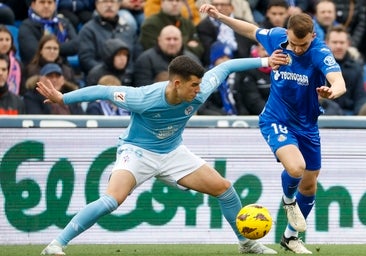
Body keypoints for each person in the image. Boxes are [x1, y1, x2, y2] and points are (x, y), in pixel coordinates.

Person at [37, 54, 284, 256]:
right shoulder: (143, 97)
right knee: (112, 200)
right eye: (193, 85)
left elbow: (228, 65)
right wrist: (62, 97)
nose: (199, 91)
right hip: (137, 152)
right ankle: (56, 245)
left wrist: (265, 61)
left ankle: (246, 244)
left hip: (173, 151)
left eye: (200, 84)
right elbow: (103, 91)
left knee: (225, 189)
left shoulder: (201, 88)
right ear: (177, 83)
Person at [200, 4, 347, 254]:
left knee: (309, 185)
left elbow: (339, 80)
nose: (298, 49)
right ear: (286, 33)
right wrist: (221, 16)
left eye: (303, 45)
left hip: (307, 125)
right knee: (296, 167)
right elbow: (250, 30)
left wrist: (333, 92)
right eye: (293, 43)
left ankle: (290, 237)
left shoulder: (320, 52)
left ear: (313, 36)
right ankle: (288, 201)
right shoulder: (278, 38)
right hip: (275, 119)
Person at [77, 0, 138, 75]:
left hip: (128, 80)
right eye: (104, 1)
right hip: (101, 80)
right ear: (96, 5)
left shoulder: (129, 29)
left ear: (119, 5)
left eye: (112, 1)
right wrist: (109, 74)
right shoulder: (87, 30)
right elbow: (86, 61)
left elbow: (136, 57)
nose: (109, 5)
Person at [133, 24, 200, 87]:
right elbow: (143, 89)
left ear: (181, 41)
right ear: (159, 40)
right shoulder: (145, 60)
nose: (172, 43)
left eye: (175, 39)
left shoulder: (192, 60)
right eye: (168, 39)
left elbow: (201, 87)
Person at [196, 0, 256, 68]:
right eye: (215, 5)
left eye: (223, 5)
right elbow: (208, 50)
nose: (219, 8)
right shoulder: (204, 26)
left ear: (231, 8)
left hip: (242, 60)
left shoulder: (242, 23)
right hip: (217, 61)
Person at [18, 0, 79, 66]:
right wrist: (62, 49)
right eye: (42, 2)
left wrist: (49, 49)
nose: (46, 6)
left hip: (63, 67)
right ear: (33, 5)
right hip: (37, 70)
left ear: (55, 5)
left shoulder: (63, 23)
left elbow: (76, 45)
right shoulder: (26, 26)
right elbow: (33, 52)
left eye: (50, 2)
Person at [139, 0, 204, 60]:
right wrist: (185, 45)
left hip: (187, 65)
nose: (174, 3)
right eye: (170, 0)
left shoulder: (188, 23)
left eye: (178, 0)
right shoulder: (151, 24)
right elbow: (154, 51)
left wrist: (171, 46)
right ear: (162, 3)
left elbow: (199, 50)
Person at [325, 25, 366, 115]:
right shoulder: (319, 67)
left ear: (348, 44)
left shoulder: (356, 68)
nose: (338, 46)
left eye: (342, 42)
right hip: (326, 115)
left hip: (352, 117)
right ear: (327, 43)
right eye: (335, 42)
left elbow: (360, 98)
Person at [197, 41, 238, 115]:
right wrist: (224, 116)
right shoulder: (205, 77)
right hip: (214, 120)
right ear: (214, 59)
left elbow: (241, 101)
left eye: (228, 57)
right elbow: (202, 107)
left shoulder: (234, 77)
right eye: (222, 58)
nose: (226, 61)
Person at [234, 43, 271, 115]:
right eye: (263, 49)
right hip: (256, 115)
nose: (266, 53)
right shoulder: (249, 68)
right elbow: (253, 99)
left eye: (269, 50)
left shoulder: (279, 67)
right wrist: (271, 115)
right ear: (257, 49)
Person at [0, 25, 25, 96]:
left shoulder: (18, 64)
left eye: (7, 40)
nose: (4, 43)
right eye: (1, 40)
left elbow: (22, 90)